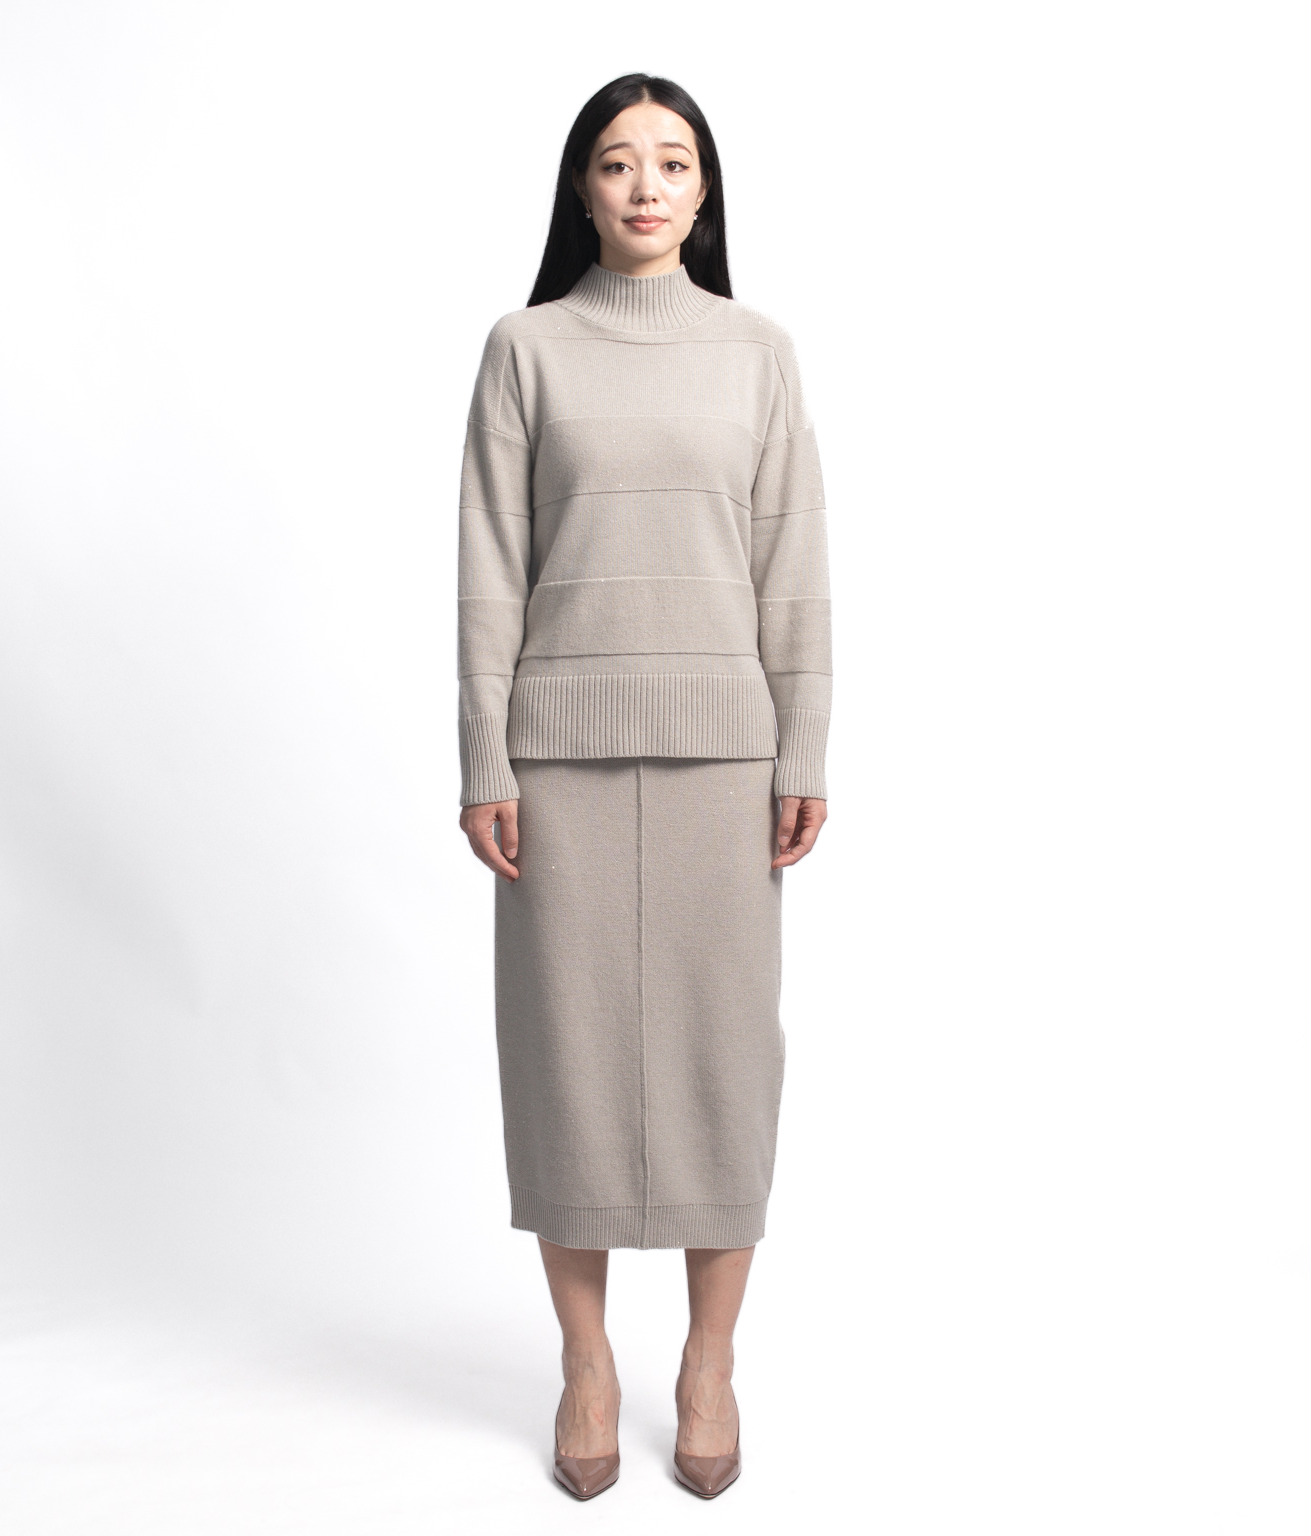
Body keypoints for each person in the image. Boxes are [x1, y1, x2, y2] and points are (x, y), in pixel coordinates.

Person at [455, 72, 831, 1501]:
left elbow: (793, 562)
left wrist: (805, 747)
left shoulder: (758, 353)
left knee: (726, 1063)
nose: (646, 185)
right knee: (566, 1060)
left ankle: (710, 1363)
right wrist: (484, 755)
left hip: (728, 757)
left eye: (672, 161)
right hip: (554, 757)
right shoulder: (525, 350)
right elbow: (490, 562)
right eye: (617, 162)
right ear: (582, 188)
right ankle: (587, 1362)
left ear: (705, 189)